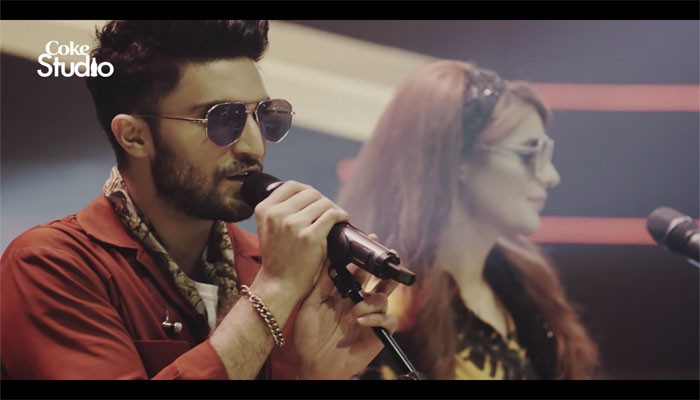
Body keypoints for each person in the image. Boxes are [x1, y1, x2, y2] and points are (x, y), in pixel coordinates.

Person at [0, 20, 397, 380]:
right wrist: (272, 292)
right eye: (223, 119)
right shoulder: (51, 264)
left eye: (263, 115)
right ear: (134, 136)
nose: (254, 145)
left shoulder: (265, 264)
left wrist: (314, 375)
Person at [337, 60, 599, 380]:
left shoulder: (527, 282)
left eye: (546, 154)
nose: (550, 175)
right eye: (528, 154)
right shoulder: (384, 308)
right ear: (458, 157)